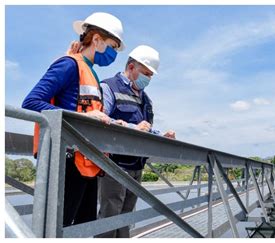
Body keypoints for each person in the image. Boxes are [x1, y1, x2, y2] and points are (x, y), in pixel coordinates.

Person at [22, 12, 126, 227]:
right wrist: (82, 117)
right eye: (112, 46)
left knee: (82, 226)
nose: (114, 54)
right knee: (60, 227)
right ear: (96, 40)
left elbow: (90, 111)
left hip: (86, 161)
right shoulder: (69, 65)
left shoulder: (90, 72)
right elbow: (31, 102)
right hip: (67, 161)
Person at [95, 45, 176, 238]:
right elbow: (100, 120)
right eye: (145, 73)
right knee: (109, 215)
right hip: (114, 164)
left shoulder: (146, 99)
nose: (148, 79)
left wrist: (161, 135)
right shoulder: (109, 87)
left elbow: (145, 126)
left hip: (136, 164)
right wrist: (132, 128)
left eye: (150, 75)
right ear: (131, 67)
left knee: (126, 217)